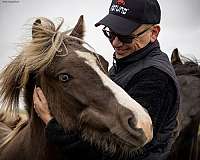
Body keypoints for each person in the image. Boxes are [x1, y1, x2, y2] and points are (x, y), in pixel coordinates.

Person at [33, 0, 180, 159]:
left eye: (126, 36)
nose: (116, 43)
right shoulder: (128, 63)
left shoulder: (155, 78)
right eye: (111, 33)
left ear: (154, 33)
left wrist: (51, 125)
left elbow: (118, 151)